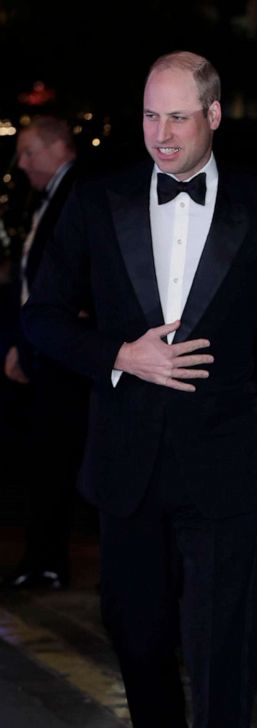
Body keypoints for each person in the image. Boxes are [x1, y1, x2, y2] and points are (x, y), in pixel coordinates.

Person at [23, 51, 257, 728]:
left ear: (215, 116)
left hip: (223, 468)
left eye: (178, 118)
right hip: (126, 465)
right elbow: (41, 318)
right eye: (150, 118)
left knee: (222, 657)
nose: (160, 136)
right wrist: (119, 353)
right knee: (140, 641)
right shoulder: (100, 198)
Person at [2, 116, 86, 589]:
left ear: (58, 148)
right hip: (45, 346)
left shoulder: (80, 192)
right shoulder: (47, 197)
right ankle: (42, 558)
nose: (22, 163)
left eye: (29, 152)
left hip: (67, 354)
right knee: (45, 459)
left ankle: (48, 561)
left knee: (56, 459)